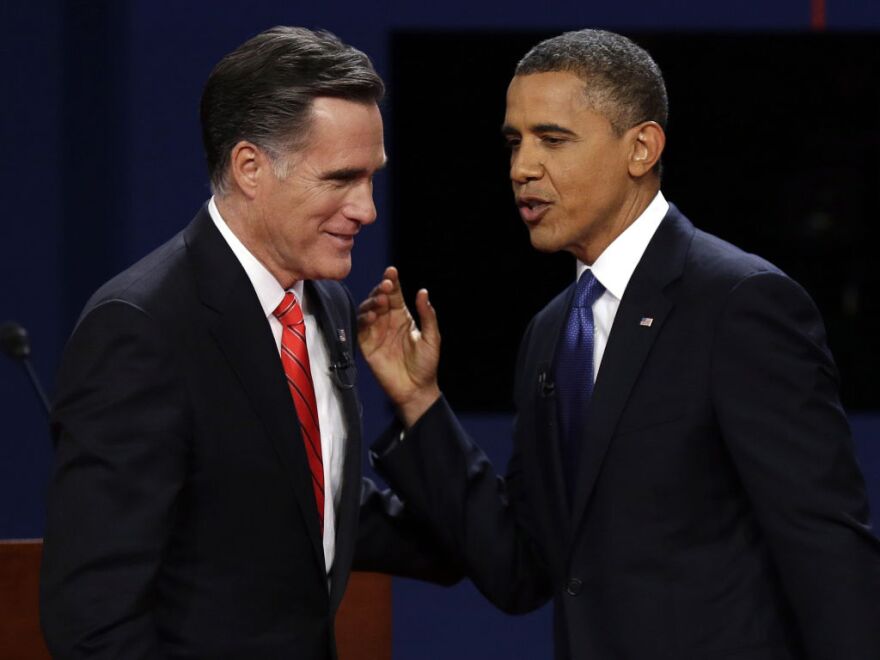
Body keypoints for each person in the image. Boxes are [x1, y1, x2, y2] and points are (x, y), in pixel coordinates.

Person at [357, 29, 880, 659]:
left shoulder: (739, 303)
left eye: (552, 139)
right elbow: (522, 568)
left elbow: (826, 547)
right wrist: (419, 400)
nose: (522, 167)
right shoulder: (553, 332)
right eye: (514, 142)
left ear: (641, 147)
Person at [40, 26, 454, 659]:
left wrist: (430, 427)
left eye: (372, 178)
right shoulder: (141, 327)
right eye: (341, 178)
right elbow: (95, 619)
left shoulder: (328, 305)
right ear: (250, 167)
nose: (367, 209)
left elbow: (306, 501)